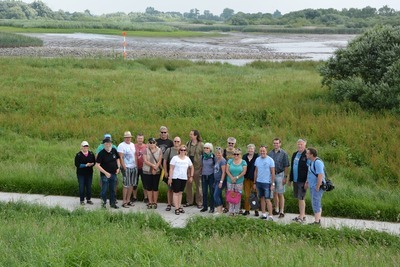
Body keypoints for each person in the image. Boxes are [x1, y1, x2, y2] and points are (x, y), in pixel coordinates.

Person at [168, 145, 194, 215]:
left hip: (184, 177)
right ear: (179, 151)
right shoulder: (175, 158)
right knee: (176, 193)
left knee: (180, 193)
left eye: (184, 150)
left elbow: (192, 167)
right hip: (176, 177)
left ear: (186, 151)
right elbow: (171, 168)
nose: (183, 151)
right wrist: (170, 178)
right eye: (181, 150)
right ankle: (176, 208)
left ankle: (179, 206)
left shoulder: (187, 159)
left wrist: (191, 176)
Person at [268, 138, 290, 218]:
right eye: (274, 143)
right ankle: (276, 209)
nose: (275, 145)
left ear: (280, 144)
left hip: (280, 174)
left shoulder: (284, 153)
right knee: (274, 193)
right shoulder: (270, 153)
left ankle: (282, 211)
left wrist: (285, 177)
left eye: (277, 143)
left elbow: (286, 166)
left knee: (280, 193)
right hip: (272, 175)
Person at [95, 138, 120, 209]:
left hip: (113, 174)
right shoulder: (101, 153)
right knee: (104, 190)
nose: (109, 144)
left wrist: (118, 167)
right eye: (107, 143)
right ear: (104, 144)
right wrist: (106, 173)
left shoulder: (114, 150)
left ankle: (112, 203)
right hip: (105, 175)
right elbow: (97, 165)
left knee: (113, 189)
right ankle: (103, 204)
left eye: (110, 143)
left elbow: (118, 159)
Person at [288, 139, 309, 223]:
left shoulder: (307, 155)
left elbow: (309, 169)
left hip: (302, 180)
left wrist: (307, 181)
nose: (299, 146)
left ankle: (302, 216)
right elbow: (292, 167)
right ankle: (301, 215)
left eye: (301, 144)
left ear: (304, 145)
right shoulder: (295, 154)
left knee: (301, 198)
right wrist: (290, 179)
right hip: (296, 179)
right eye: (298, 144)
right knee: (298, 198)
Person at [254, 145, 276, 220]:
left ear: (266, 151)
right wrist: (254, 182)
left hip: (267, 183)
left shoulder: (270, 160)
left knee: (267, 199)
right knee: (261, 198)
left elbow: (273, 172)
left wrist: (273, 183)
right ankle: (263, 214)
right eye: (261, 151)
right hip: (259, 182)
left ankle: (270, 215)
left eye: (263, 151)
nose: (262, 152)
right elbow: (256, 171)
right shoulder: (257, 159)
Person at [305, 147, 325, 225]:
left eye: (307, 153)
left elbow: (320, 175)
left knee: (316, 203)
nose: (306, 154)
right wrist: (307, 181)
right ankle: (318, 219)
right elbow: (310, 173)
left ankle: (317, 222)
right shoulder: (311, 162)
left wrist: (318, 186)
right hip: (312, 185)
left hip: (317, 187)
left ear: (311, 154)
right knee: (316, 202)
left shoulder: (317, 162)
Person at [117, 131, 137, 208]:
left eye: (129, 137)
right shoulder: (121, 145)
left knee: (131, 184)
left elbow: (134, 155)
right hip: (126, 167)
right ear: (124, 138)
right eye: (127, 137)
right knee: (126, 184)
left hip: (133, 166)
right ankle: (124, 201)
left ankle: (128, 200)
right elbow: (121, 157)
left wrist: (136, 165)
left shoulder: (132, 145)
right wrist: (124, 167)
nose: (128, 138)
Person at [184, 129, 203, 208]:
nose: (190, 135)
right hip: (188, 167)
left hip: (198, 167)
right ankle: (189, 201)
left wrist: (202, 167)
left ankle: (199, 202)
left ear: (196, 135)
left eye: (191, 134)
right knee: (188, 185)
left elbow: (204, 156)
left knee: (199, 186)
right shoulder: (188, 143)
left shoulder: (201, 145)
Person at [226, 148, 247, 216]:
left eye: (237, 154)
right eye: (234, 154)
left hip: (239, 181)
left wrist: (236, 177)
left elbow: (244, 172)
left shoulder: (243, 162)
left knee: (238, 196)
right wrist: (232, 177)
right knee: (230, 195)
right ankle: (231, 211)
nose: (236, 155)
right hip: (230, 181)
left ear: (240, 155)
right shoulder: (230, 161)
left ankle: (237, 210)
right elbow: (227, 170)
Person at [142, 137, 162, 209]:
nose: (152, 144)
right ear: (148, 143)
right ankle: (150, 202)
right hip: (147, 171)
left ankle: (155, 202)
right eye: (150, 142)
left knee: (155, 187)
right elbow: (145, 160)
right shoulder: (145, 150)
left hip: (156, 171)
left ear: (155, 143)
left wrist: (156, 167)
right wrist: (153, 166)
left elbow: (160, 160)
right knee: (149, 187)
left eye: (153, 142)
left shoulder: (159, 150)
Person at [74, 141, 96, 205]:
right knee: (81, 187)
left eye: (86, 146)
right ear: (81, 147)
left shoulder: (91, 154)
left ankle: (88, 199)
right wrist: (85, 165)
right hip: (81, 174)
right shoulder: (78, 155)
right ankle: (82, 200)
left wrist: (91, 164)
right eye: (84, 146)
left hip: (89, 173)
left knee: (89, 186)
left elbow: (94, 162)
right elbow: (77, 164)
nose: (85, 147)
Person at [163, 136, 181, 211]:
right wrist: (166, 171)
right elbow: (164, 161)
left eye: (178, 141)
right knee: (170, 189)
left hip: (179, 174)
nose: (176, 143)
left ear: (180, 142)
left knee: (177, 190)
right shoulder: (169, 150)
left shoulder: (182, 150)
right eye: (175, 141)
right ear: (173, 142)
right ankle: (169, 204)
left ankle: (175, 203)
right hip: (171, 172)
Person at [242, 144, 259, 216]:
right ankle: (247, 210)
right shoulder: (244, 156)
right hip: (246, 179)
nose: (250, 150)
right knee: (247, 195)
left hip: (254, 179)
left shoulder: (257, 157)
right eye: (249, 149)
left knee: (254, 195)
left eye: (252, 149)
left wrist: (255, 181)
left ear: (254, 150)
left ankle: (256, 210)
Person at [200, 143, 215, 213]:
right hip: (204, 176)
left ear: (210, 149)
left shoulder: (213, 157)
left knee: (212, 192)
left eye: (207, 148)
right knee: (204, 192)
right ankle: (205, 206)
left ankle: (212, 207)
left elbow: (216, 166)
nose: (205, 149)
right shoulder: (202, 156)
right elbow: (201, 166)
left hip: (211, 176)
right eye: (205, 148)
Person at [213, 147, 227, 215]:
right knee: (219, 195)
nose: (217, 154)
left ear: (222, 153)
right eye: (216, 153)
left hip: (220, 181)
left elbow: (224, 172)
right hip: (216, 180)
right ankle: (220, 210)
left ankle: (219, 211)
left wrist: (221, 182)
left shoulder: (223, 161)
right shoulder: (216, 159)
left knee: (215, 195)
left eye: (219, 153)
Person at [134, 133, 148, 203]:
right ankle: (134, 197)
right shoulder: (133, 146)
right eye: (139, 138)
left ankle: (146, 197)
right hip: (135, 167)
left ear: (143, 139)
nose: (140, 140)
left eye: (141, 138)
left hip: (144, 167)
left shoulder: (146, 146)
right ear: (137, 139)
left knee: (145, 183)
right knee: (134, 183)